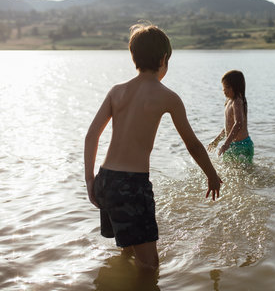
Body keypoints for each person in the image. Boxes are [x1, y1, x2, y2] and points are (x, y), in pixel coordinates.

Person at [84, 24, 222, 273]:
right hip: (132, 185)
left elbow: (91, 136)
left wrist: (90, 181)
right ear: (163, 59)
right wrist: (211, 174)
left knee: (126, 246)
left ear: (133, 57)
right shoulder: (167, 96)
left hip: (106, 180)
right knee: (150, 265)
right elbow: (192, 144)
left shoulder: (117, 91)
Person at [207, 70, 254, 164]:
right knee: (228, 169)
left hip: (242, 145)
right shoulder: (229, 101)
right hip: (232, 145)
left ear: (235, 87)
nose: (223, 90)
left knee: (243, 173)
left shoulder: (237, 101)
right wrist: (216, 141)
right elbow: (228, 127)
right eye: (223, 87)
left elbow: (239, 123)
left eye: (226, 87)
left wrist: (225, 144)